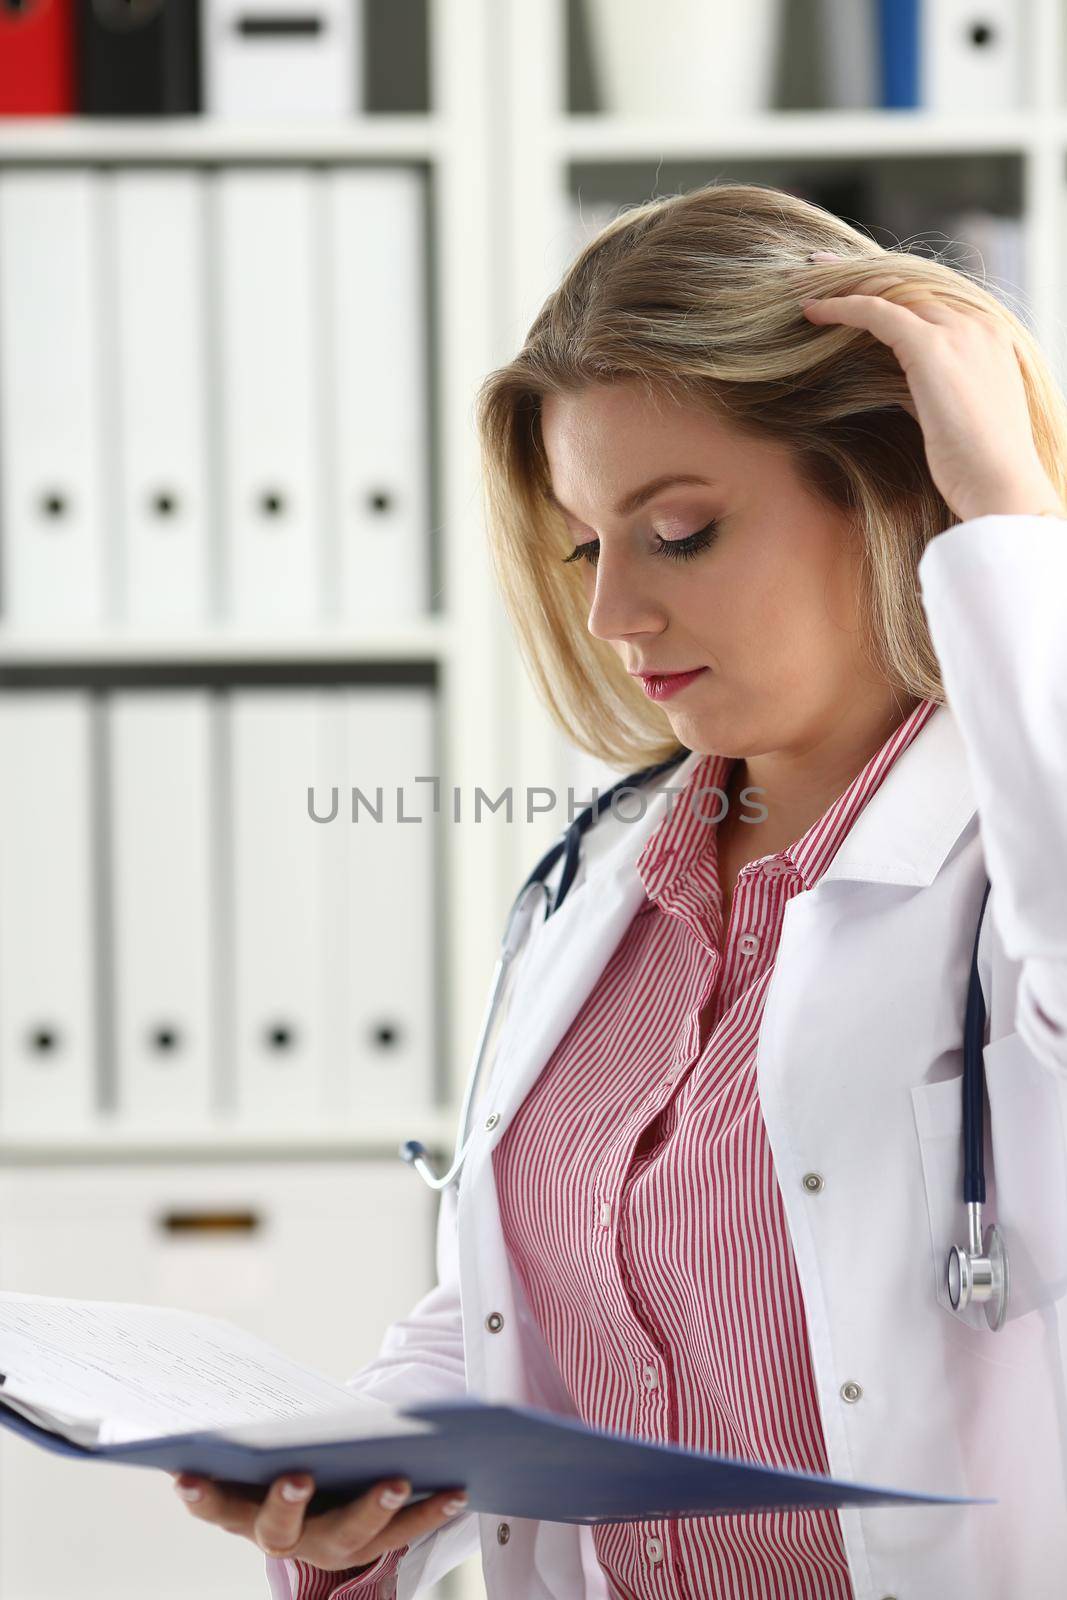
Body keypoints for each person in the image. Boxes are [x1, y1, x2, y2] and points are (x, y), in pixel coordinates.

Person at [173, 180, 1067, 1598]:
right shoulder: (602, 880)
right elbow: (528, 1292)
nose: (614, 615)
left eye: (685, 529)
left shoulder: (1015, 874)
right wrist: (372, 1466)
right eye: (591, 543)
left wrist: (1012, 519)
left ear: (898, 487)